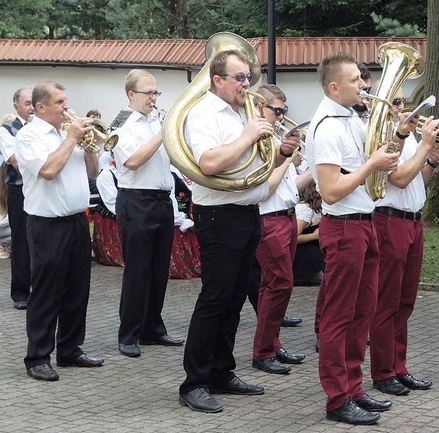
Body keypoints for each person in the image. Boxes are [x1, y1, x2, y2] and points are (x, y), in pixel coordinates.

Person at [178, 49, 286, 413]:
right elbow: (209, 163)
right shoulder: (203, 114)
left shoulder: (244, 111)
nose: (246, 84)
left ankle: (222, 371)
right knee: (215, 297)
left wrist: (281, 153)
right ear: (217, 80)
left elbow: (255, 162)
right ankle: (194, 382)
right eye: (239, 77)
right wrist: (248, 135)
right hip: (218, 214)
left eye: (247, 77)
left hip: (248, 211)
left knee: (236, 296)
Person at [307, 51, 400, 425]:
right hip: (344, 226)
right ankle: (336, 398)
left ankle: (354, 387)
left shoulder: (350, 118)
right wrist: (371, 165)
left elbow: (381, 157)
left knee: (362, 312)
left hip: (365, 223)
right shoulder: (328, 126)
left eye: (363, 79)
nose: (365, 85)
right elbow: (330, 191)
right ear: (334, 87)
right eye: (356, 81)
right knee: (338, 316)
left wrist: (402, 132)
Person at [14, 81, 104, 381]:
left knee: (78, 290)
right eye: (60, 103)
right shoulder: (29, 136)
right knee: (46, 293)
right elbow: (49, 171)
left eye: (66, 101)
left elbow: (94, 172)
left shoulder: (68, 135)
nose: (67, 107)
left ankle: (70, 349)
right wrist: (72, 138)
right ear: (41, 107)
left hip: (77, 221)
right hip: (47, 225)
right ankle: (37, 357)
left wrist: (90, 146)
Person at [369, 86, 439, 396]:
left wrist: (431, 162)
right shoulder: (383, 136)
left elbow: (415, 182)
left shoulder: (409, 136)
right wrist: (425, 146)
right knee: (387, 302)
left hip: (413, 221)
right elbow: (397, 179)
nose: (402, 107)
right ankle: (383, 372)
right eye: (396, 102)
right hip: (390, 220)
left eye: (404, 102)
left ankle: (399, 367)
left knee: (406, 301)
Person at [112, 69, 184, 358]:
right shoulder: (121, 125)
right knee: (137, 271)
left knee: (158, 270)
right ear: (132, 94)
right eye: (148, 93)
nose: (154, 98)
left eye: (156, 93)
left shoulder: (156, 119)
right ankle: (128, 334)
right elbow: (132, 161)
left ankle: (153, 328)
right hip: (136, 201)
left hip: (161, 201)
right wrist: (162, 134)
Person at [247, 84, 308, 375]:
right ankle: (262, 351)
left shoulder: (275, 140)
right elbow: (266, 188)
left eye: (285, 111)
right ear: (261, 108)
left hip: (287, 215)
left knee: (273, 285)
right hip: (268, 219)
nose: (283, 116)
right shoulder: (259, 143)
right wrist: (286, 159)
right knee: (279, 283)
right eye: (278, 111)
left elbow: (289, 188)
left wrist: (311, 169)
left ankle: (273, 344)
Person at [0, 88, 33, 310]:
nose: (32, 107)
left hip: (41, 189)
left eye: (34, 103)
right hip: (19, 191)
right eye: (28, 103)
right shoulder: (6, 130)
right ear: (16, 107)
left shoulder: (43, 127)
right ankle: (20, 292)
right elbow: (14, 161)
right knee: (21, 240)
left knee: (40, 240)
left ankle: (40, 288)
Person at [293, 181, 325, 286]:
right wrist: (313, 235)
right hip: (299, 253)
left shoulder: (314, 209)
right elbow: (293, 237)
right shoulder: (305, 210)